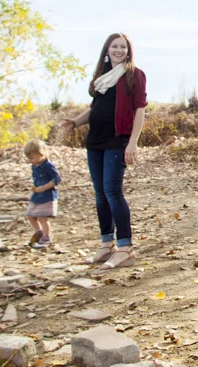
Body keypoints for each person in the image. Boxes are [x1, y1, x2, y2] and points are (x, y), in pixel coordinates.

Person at [60, 33, 147, 269]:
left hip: (118, 140)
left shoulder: (134, 75)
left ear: (128, 51)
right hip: (95, 141)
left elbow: (140, 110)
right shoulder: (102, 77)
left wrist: (133, 142)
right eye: (114, 46)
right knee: (100, 195)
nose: (119, 50)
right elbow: (95, 108)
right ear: (107, 50)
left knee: (113, 192)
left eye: (123, 47)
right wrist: (74, 123)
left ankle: (125, 249)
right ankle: (107, 244)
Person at [24, 139, 60, 249]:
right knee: (30, 215)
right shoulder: (35, 166)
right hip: (37, 195)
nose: (30, 161)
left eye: (32, 158)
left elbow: (56, 179)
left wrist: (44, 187)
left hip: (47, 195)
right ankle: (38, 232)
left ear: (40, 154)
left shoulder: (48, 165)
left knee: (41, 217)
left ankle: (46, 237)